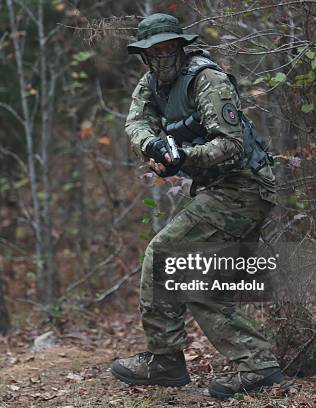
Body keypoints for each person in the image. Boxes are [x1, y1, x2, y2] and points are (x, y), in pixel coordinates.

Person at [110, 13, 285, 399]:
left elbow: (231, 144)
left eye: (168, 47)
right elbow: (135, 122)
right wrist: (153, 146)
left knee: (164, 254)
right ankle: (257, 367)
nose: (161, 56)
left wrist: (182, 157)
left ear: (180, 45)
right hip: (222, 189)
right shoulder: (151, 83)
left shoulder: (207, 80)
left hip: (243, 187)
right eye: (153, 51)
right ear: (144, 55)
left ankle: (165, 359)